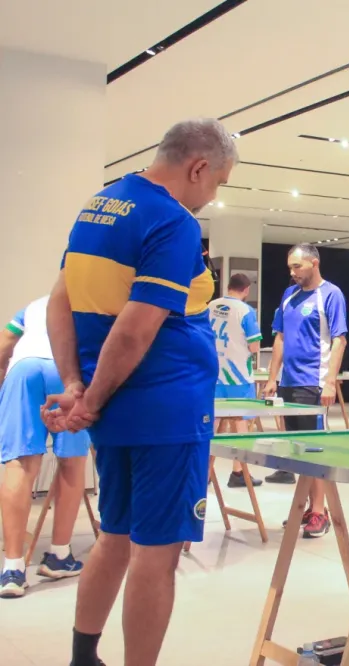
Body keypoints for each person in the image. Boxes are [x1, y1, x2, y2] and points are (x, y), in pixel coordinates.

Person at [42, 118, 235, 666]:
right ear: (198, 167)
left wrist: (77, 386)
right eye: (217, 182)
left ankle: (85, 656)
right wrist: (92, 398)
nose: (211, 195)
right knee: (157, 553)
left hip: (119, 408)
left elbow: (61, 299)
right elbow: (135, 328)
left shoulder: (99, 205)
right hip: (165, 408)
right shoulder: (172, 221)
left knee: (117, 535)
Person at [0, 297, 92, 599]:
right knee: (72, 460)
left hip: (22, 369)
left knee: (19, 463)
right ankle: (58, 556)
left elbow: (5, 343)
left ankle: (12, 568)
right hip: (67, 374)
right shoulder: (95, 299)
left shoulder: (35, 305)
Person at [263, 244, 349, 538]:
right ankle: (307, 508)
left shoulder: (331, 295)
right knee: (297, 450)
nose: (292, 272)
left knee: (315, 451)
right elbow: (280, 338)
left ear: (314, 263)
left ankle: (319, 512)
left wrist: (329, 381)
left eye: (297, 266)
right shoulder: (288, 296)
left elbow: (339, 341)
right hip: (288, 384)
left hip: (313, 383)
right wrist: (273, 377)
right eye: (290, 267)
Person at [208, 272, 263, 488]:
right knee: (241, 425)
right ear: (247, 289)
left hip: (214, 374)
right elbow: (254, 346)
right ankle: (238, 473)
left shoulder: (210, 306)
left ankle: (204, 473)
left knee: (211, 424)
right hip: (238, 376)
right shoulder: (246, 311)